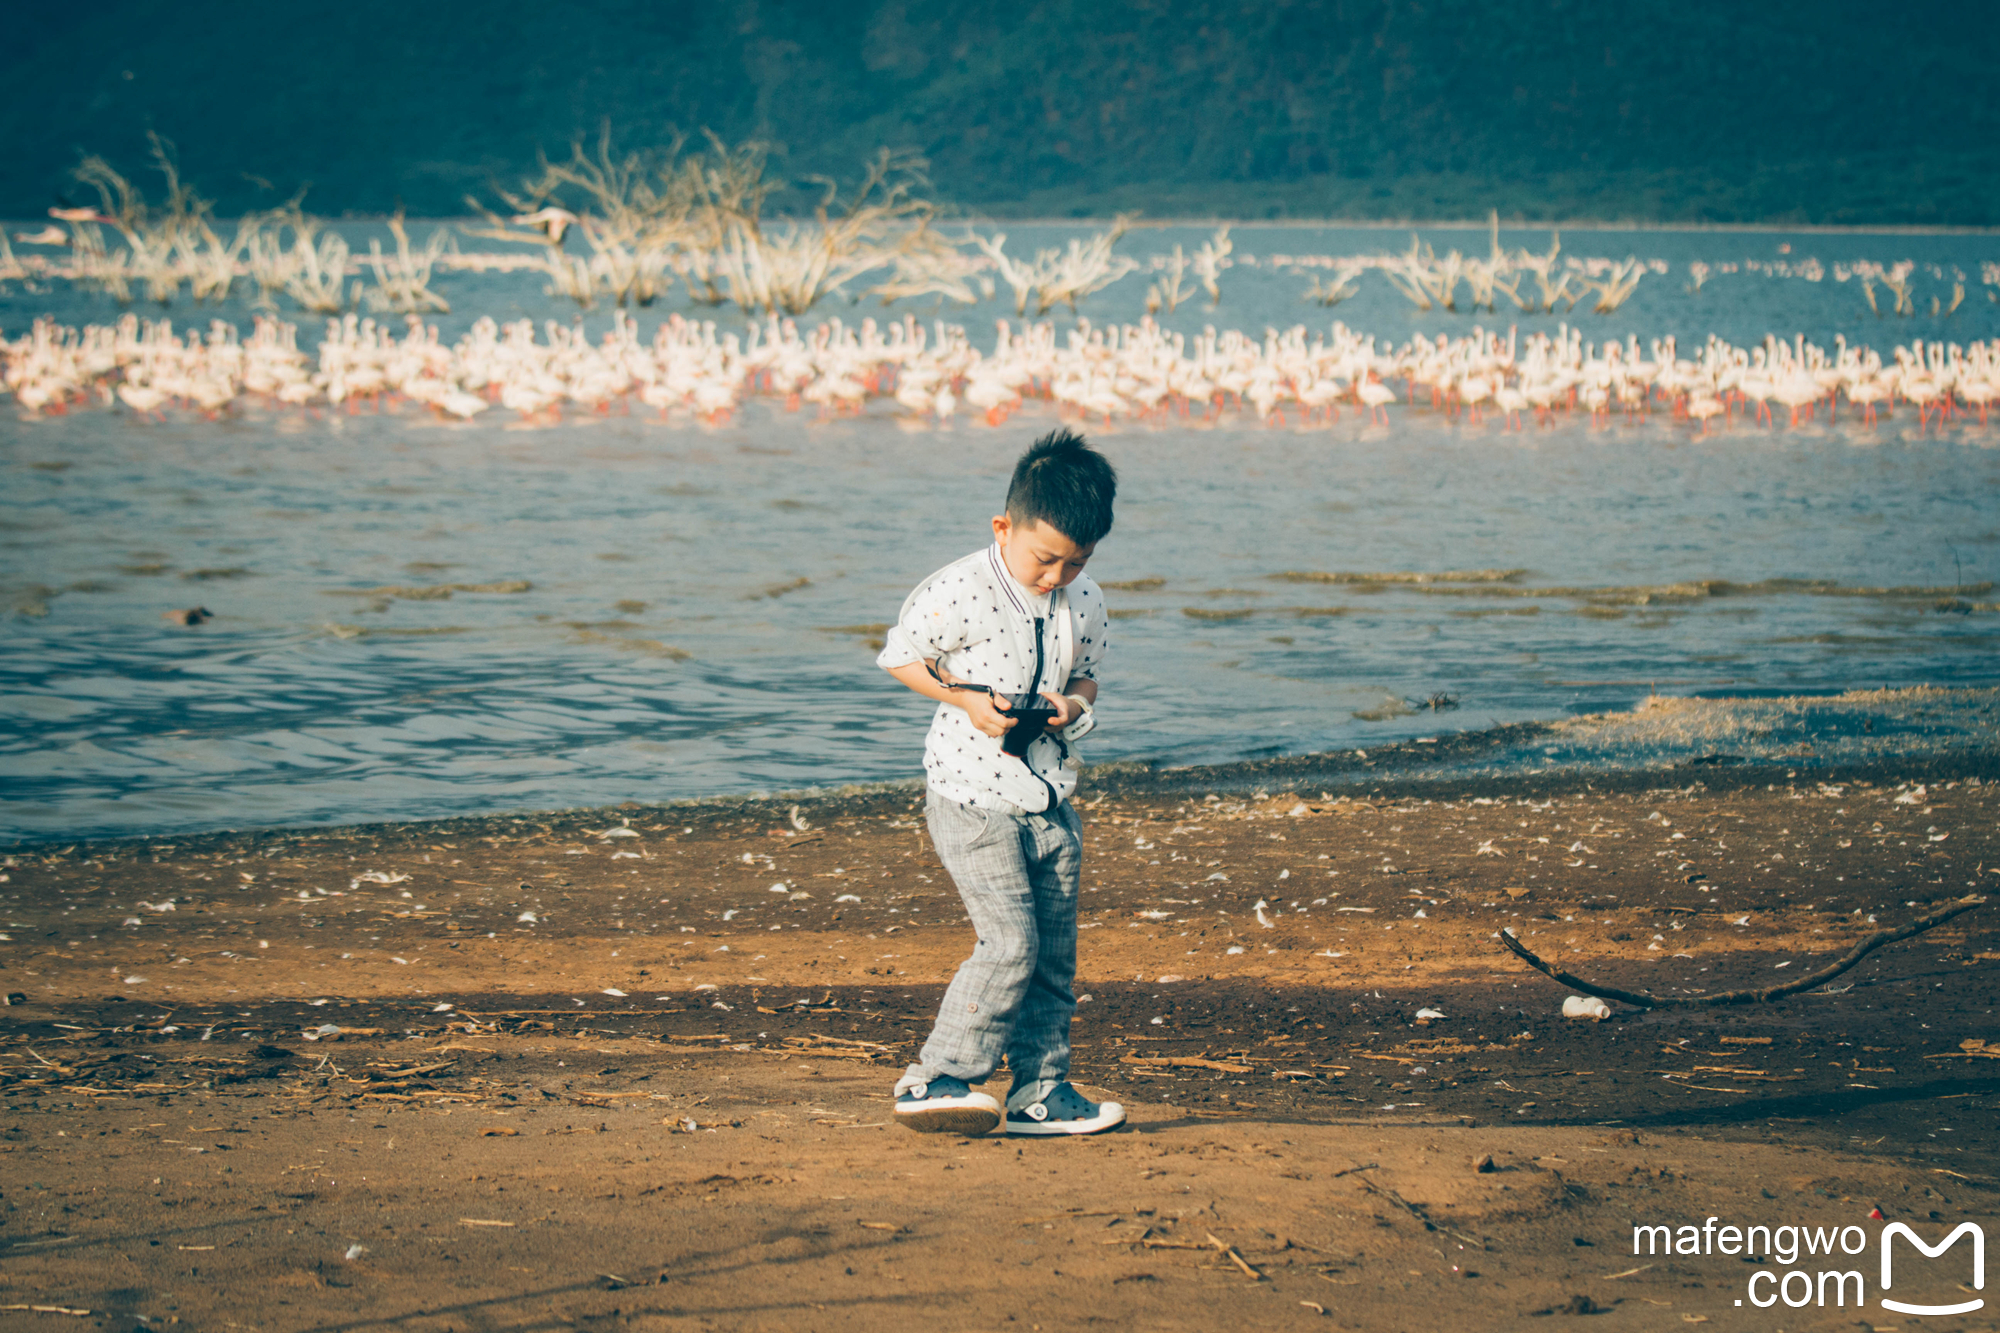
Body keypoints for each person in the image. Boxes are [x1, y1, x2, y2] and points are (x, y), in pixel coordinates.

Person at [875, 428, 1126, 1137]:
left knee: (1053, 956)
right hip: (970, 795)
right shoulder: (958, 589)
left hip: (1050, 795)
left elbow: (1087, 674)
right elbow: (900, 658)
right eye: (1043, 558)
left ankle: (1040, 1091)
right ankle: (936, 1076)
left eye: (1074, 562)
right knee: (1009, 943)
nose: (1056, 576)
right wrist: (964, 701)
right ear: (1003, 527)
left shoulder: (1087, 599)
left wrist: (1071, 706)